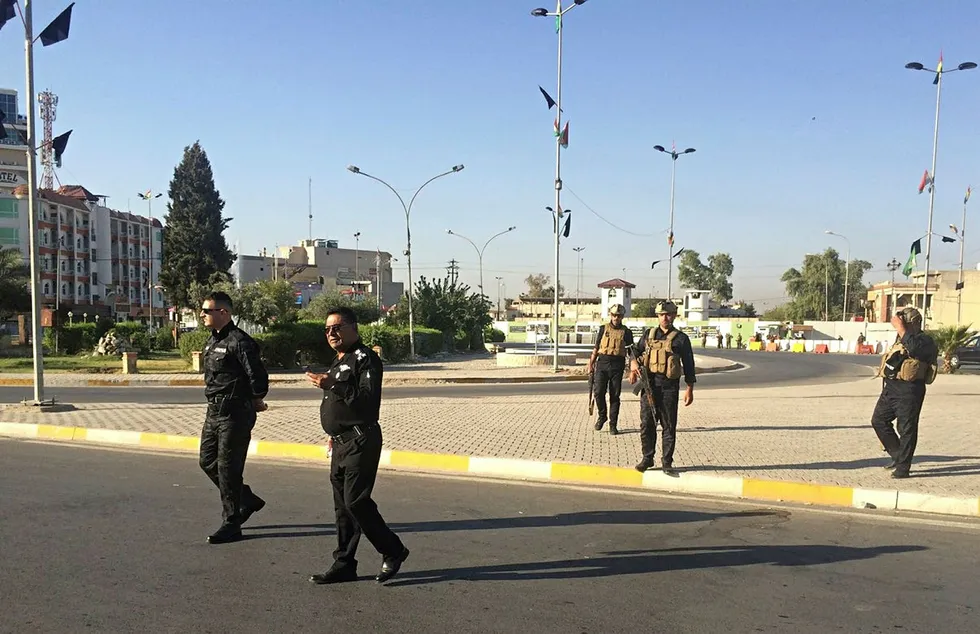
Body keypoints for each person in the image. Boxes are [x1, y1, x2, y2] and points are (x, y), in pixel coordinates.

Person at [308, 307, 409, 585]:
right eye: (327, 329)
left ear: (354, 327)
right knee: (343, 507)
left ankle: (393, 550)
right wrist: (333, 431)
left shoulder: (366, 359)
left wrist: (333, 386)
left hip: (362, 440)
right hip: (341, 443)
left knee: (356, 501)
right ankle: (344, 563)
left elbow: (366, 400)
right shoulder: (338, 360)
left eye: (337, 328)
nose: (332, 334)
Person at [198, 291, 269, 544]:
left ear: (223, 313)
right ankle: (247, 500)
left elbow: (258, 379)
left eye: (207, 310)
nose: (202, 314)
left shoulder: (240, 342)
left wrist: (253, 399)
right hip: (213, 411)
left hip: (234, 413)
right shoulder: (211, 341)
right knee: (207, 462)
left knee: (228, 469)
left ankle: (232, 522)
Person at [628, 300, 696, 476]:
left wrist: (690, 388)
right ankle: (647, 458)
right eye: (661, 315)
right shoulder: (648, 335)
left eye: (668, 314)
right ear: (657, 316)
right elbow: (634, 352)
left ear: (674, 315)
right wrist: (633, 366)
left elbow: (689, 364)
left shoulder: (681, 339)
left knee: (668, 426)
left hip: (669, 388)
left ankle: (667, 462)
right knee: (646, 425)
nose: (665, 317)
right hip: (649, 386)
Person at [870, 307, 938, 479]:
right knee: (879, 420)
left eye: (906, 323)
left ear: (915, 323)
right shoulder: (901, 338)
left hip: (910, 390)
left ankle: (903, 468)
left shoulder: (925, 340)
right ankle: (898, 455)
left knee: (906, 428)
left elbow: (915, 349)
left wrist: (902, 329)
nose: (902, 327)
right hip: (892, 387)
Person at [588, 304, 634, 435]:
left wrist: (632, 370)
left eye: (619, 316)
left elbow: (631, 353)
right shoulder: (603, 329)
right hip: (602, 363)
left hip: (617, 366)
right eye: (614, 315)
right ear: (610, 315)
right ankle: (602, 416)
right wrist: (591, 363)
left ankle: (613, 424)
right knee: (598, 392)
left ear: (622, 317)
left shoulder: (627, 332)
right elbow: (596, 348)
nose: (616, 318)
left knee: (615, 396)